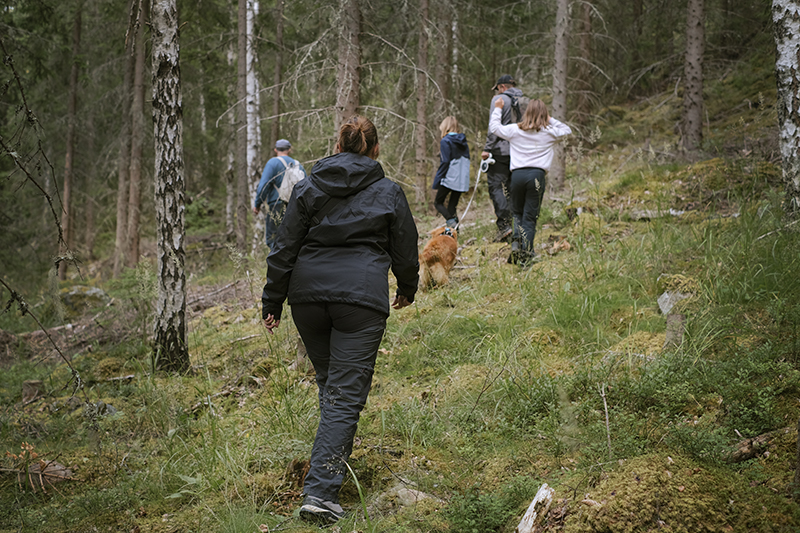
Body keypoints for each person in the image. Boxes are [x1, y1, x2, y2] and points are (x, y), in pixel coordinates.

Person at [260, 116, 420, 524]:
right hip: (360, 301)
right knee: (345, 393)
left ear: (338, 145)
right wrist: (407, 287)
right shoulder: (388, 191)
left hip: (308, 299)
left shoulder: (307, 186)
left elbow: (284, 245)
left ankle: (330, 464)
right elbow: (405, 245)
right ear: (375, 149)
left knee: (333, 385)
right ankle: (320, 492)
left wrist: (273, 299)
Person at [489, 97, 571, 265]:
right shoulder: (549, 133)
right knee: (530, 216)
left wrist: (497, 108)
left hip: (517, 176)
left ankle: (516, 245)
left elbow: (494, 128)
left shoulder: (515, 130)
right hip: (536, 176)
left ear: (526, 113)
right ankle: (527, 253)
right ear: (544, 115)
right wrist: (549, 119)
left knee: (517, 212)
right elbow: (566, 130)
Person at [481, 74, 526, 242]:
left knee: (496, 186)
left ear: (502, 87)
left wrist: (487, 148)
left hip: (501, 150)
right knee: (512, 187)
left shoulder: (499, 99)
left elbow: (494, 127)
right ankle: (517, 224)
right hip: (519, 150)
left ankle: (504, 226)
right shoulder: (524, 101)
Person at [253, 139, 306, 249]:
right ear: (289, 150)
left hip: (277, 205)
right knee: (292, 239)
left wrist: (258, 204)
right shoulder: (298, 165)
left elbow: (263, 186)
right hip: (295, 207)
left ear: (275, 150)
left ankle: (276, 265)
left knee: (273, 240)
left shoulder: (273, 163)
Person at [432, 116, 470, 228]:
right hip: (462, 179)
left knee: (438, 203)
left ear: (445, 127)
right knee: (452, 206)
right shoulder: (463, 140)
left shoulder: (445, 141)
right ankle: (456, 233)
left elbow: (445, 161)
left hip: (450, 178)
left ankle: (452, 223)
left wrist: (438, 179)